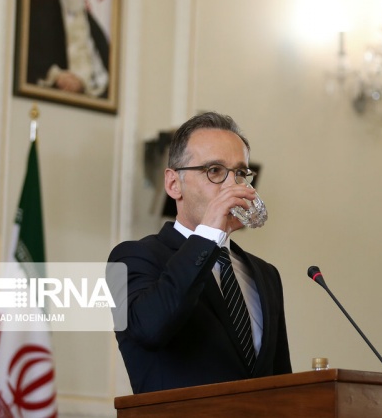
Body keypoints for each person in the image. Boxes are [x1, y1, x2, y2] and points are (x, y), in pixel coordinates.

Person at [109, 112, 292, 394]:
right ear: (173, 184)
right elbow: (149, 329)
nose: (233, 186)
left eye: (240, 173)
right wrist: (208, 235)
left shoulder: (266, 274)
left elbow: (281, 381)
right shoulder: (130, 258)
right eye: (215, 171)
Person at [27, 0, 110, 98]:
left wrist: (83, 84)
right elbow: (32, 60)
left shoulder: (94, 27)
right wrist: (57, 76)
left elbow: (107, 72)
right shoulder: (41, 17)